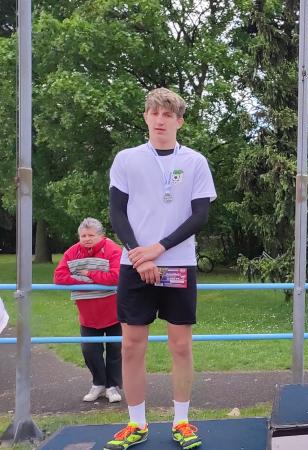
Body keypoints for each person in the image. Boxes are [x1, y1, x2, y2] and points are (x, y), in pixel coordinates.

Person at [104, 87, 216, 450]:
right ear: (146, 117)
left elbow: (200, 215)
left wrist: (159, 248)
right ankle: (136, 423)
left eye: (168, 114)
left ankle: (181, 421)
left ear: (179, 121)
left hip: (178, 264)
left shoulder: (195, 161)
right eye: (154, 113)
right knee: (131, 345)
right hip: (134, 264)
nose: (160, 120)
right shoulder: (126, 159)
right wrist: (140, 255)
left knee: (180, 345)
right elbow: (117, 212)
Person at [53, 218, 123, 403]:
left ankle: (112, 387)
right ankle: (99, 383)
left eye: (91, 235)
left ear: (101, 236)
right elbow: (59, 277)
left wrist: (89, 273)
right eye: (83, 236)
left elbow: (117, 276)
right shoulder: (73, 252)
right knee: (90, 351)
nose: (86, 239)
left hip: (114, 312)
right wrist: (91, 280)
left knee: (115, 350)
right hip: (88, 314)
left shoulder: (113, 250)